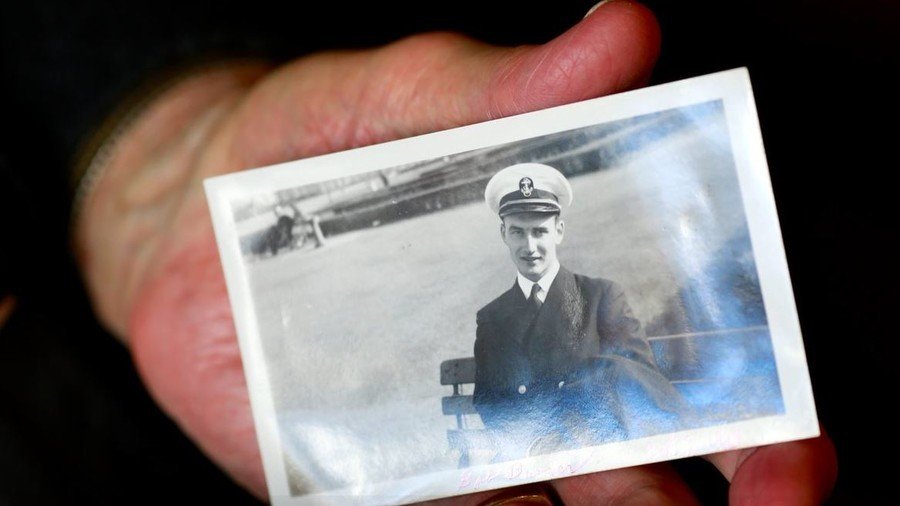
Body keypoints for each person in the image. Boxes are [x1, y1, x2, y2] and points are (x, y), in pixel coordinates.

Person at [2, 0, 842, 504]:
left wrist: (156, 142)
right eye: (519, 230)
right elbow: (474, 401)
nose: (531, 239)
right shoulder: (483, 311)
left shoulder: (608, 292)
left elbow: (644, 374)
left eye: (540, 227)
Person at [473, 163, 686, 458]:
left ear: (558, 231)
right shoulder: (492, 318)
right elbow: (488, 401)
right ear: (503, 234)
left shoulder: (601, 296)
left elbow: (640, 379)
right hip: (533, 453)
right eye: (518, 232)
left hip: (602, 446)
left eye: (539, 231)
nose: (530, 246)